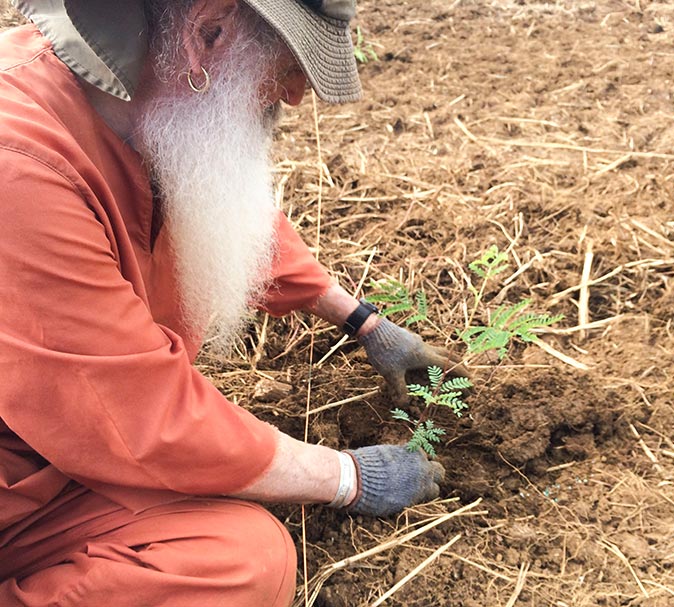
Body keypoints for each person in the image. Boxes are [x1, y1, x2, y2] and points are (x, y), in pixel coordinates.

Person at [0, 0, 464, 604]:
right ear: (209, 31)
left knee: (243, 556)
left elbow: (230, 219)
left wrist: (363, 321)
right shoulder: (19, 164)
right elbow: (139, 415)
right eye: (290, 63)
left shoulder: (145, 105)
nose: (294, 94)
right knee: (240, 569)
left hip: (59, 464)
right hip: (22, 487)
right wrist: (348, 477)